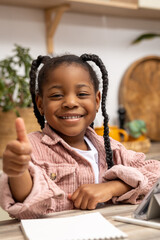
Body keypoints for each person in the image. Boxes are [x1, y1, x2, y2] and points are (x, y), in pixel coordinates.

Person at [0, 54, 160, 220]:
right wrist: (18, 172)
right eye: (56, 95)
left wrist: (114, 187)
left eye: (82, 94)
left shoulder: (112, 149)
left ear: (97, 100)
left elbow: (156, 173)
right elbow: (27, 206)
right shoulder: (31, 149)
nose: (70, 102)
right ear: (40, 103)